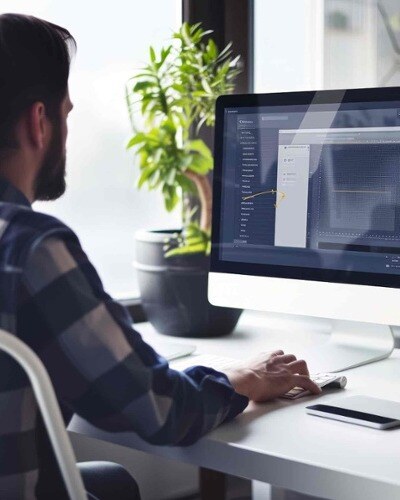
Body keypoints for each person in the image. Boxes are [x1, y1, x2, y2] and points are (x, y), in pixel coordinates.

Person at [0, 13, 321, 500]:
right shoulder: (31, 249)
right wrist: (244, 379)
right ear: (39, 121)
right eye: (67, 113)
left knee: (113, 481)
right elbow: (160, 410)